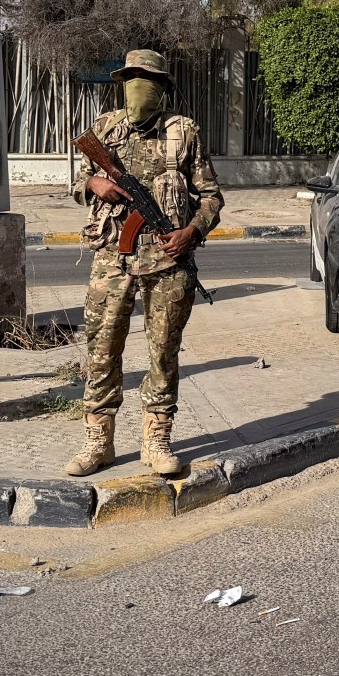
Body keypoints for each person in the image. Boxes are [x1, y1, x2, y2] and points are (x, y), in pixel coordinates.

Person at [64, 49, 224, 479]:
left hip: (168, 262)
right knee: (101, 351)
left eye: (147, 79)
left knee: (163, 353)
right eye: (131, 78)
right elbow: (77, 183)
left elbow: (211, 197)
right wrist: (94, 183)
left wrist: (192, 232)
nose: (138, 87)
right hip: (112, 259)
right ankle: (98, 442)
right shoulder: (105, 129)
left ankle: (156, 440)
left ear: (163, 88)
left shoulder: (183, 132)